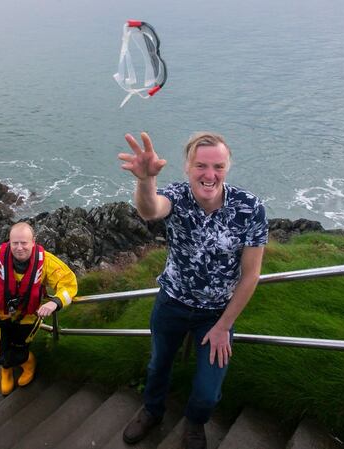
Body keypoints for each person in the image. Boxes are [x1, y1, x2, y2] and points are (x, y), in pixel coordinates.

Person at [117, 132, 267, 449]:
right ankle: (152, 411)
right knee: (158, 364)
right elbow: (150, 209)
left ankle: (195, 422)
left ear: (228, 167)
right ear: (187, 167)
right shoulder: (176, 196)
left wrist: (223, 326)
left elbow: (251, 275)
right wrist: (145, 180)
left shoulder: (250, 209)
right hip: (172, 302)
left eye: (218, 166)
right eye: (201, 165)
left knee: (208, 390)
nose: (209, 175)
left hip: (216, 315)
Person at [0, 222, 78, 395]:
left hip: (28, 316)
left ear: (33, 242)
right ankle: (6, 368)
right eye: (15, 243)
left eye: (24, 243)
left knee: (19, 350)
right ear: (9, 242)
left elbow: (69, 282)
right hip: (0, 311)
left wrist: (54, 302)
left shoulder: (47, 262)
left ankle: (27, 364)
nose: (19, 248)